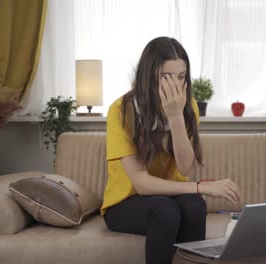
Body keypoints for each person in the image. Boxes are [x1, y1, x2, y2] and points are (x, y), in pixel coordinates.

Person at [101, 36, 241, 264]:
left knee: (196, 205)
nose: (175, 85)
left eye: (181, 77)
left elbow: (185, 167)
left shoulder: (189, 106)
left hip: (169, 195)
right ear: (149, 76)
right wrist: (201, 186)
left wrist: (175, 116)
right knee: (165, 210)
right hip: (124, 203)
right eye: (165, 77)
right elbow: (142, 184)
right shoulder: (120, 110)